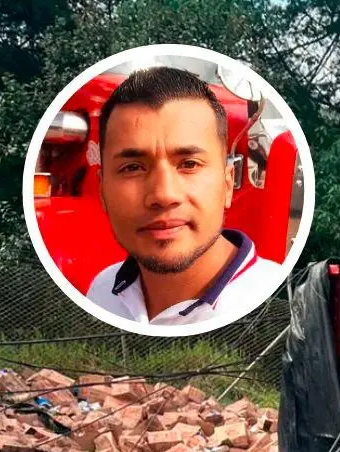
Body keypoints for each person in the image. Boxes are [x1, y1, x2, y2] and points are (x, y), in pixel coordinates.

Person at [86, 66, 282, 327]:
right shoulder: (102, 291)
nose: (164, 195)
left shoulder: (276, 304)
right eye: (132, 167)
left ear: (227, 184)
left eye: (189, 164)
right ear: (102, 191)